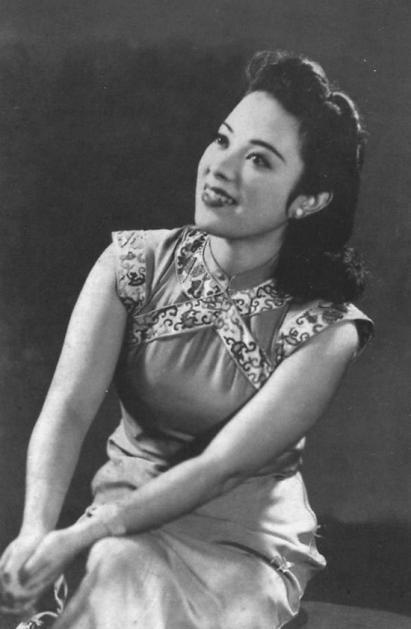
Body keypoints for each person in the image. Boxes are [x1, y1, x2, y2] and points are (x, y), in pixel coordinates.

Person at [0, 50, 374, 629]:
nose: (221, 168)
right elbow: (68, 408)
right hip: (118, 525)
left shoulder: (326, 329)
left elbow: (220, 466)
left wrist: (81, 535)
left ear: (308, 200)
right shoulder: (132, 264)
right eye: (223, 141)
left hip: (243, 547)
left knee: (128, 571)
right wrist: (34, 530)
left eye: (259, 160)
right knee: (121, 565)